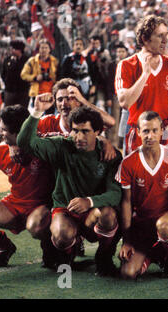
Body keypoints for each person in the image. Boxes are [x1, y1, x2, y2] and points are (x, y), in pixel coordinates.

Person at [17, 96, 122, 277]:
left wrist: (89, 202)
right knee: (61, 233)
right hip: (65, 208)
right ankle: (66, 255)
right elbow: (25, 143)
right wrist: (36, 112)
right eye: (75, 131)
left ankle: (104, 258)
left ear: (98, 132)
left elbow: (115, 193)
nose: (79, 137)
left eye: (85, 131)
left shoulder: (110, 156)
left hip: (92, 211)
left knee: (109, 215)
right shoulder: (62, 145)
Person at [116, 111, 168, 280]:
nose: (150, 135)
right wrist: (126, 240)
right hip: (142, 223)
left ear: (162, 131)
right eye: (146, 131)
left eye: (155, 130)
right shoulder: (128, 163)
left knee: (164, 226)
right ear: (138, 132)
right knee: (128, 273)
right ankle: (155, 254)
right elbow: (125, 203)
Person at [0, 105, 53, 268]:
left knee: (36, 226)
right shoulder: (1, 151)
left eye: (4, 130)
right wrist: (12, 145)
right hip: (15, 205)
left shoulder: (44, 144)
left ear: (18, 132)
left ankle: (54, 247)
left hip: (43, 207)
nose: (1, 133)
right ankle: (4, 247)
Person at [115, 14, 168, 156]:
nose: (165, 40)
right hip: (139, 135)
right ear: (144, 39)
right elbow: (124, 102)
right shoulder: (127, 65)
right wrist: (145, 74)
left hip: (165, 134)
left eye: (166, 35)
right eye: (160, 36)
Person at [21, 39, 59, 114]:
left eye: (46, 47)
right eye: (42, 48)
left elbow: (59, 76)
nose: (44, 50)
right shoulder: (32, 61)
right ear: (38, 49)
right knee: (37, 117)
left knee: (50, 117)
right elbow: (23, 74)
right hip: (37, 94)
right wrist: (35, 78)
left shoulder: (55, 61)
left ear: (49, 49)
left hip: (50, 94)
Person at [2, 40, 29, 107]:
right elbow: (3, 74)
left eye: (13, 49)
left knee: (22, 112)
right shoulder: (7, 60)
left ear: (19, 50)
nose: (11, 51)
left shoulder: (27, 60)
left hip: (23, 91)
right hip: (9, 91)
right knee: (8, 111)